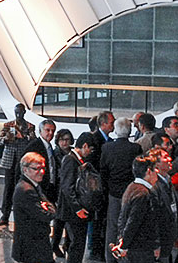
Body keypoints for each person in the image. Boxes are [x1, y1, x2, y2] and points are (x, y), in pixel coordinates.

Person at [100, 117, 142, 263]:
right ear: (130, 131)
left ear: (116, 130)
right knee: (129, 225)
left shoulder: (106, 148)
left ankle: (110, 257)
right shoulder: (135, 148)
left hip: (114, 193)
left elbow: (103, 171)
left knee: (112, 227)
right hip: (131, 193)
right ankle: (125, 256)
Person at [112, 155, 160, 263]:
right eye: (155, 168)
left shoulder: (132, 187)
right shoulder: (143, 194)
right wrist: (123, 245)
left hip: (134, 247)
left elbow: (123, 218)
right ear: (148, 171)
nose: (157, 171)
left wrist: (122, 241)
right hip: (140, 249)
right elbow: (133, 222)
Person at [0, 103, 36, 227]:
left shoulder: (29, 126)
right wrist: (7, 139)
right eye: (16, 112)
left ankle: (22, 215)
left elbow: (33, 140)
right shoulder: (8, 125)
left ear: (24, 113)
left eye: (20, 112)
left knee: (21, 188)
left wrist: (24, 136)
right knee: (8, 188)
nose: (18, 115)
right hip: (9, 161)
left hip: (21, 161)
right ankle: (5, 215)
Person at [12, 152, 56, 263]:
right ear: (25, 169)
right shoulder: (27, 190)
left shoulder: (32, 185)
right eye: (36, 168)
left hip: (35, 245)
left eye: (43, 168)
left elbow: (48, 205)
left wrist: (47, 207)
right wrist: (51, 210)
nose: (41, 172)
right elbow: (45, 215)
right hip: (32, 247)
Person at [58, 132, 95, 263]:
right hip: (73, 211)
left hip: (76, 210)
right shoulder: (70, 159)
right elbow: (67, 187)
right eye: (90, 149)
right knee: (77, 244)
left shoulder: (78, 159)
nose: (90, 152)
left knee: (75, 242)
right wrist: (77, 208)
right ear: (84, 146)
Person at [89, 111, 115, 261]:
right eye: (111, 122)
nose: (112, 125)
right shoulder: (94, 139)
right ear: (103, 124)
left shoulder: (109, 141)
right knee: (97, 220)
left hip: (105, 187)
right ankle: (95, 249)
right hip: (98, 188)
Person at [148, 147, 177, 263]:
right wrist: (156, 244)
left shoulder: (168, 181)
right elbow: (153, 217)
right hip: (161, 241)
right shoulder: (155, 187)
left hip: (170, 239)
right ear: (156, 166)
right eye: (165, 158)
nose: (170, 159)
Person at [51, 129, 74, 258]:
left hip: (69, 190)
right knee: (59, 221)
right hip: (59, 191)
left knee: (69, 222)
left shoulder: (73, 153)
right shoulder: (55, 154)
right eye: (62, 140)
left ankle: (67, 244)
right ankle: (54, 245)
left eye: (67, 139)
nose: (65, 143)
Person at [23, 119, 57, 203]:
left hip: (49, 186)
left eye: (53, 131)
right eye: (47, 130)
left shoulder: (49, 146)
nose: (50, 133)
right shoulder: (34, 146)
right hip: (39, 187)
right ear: (40, 131)